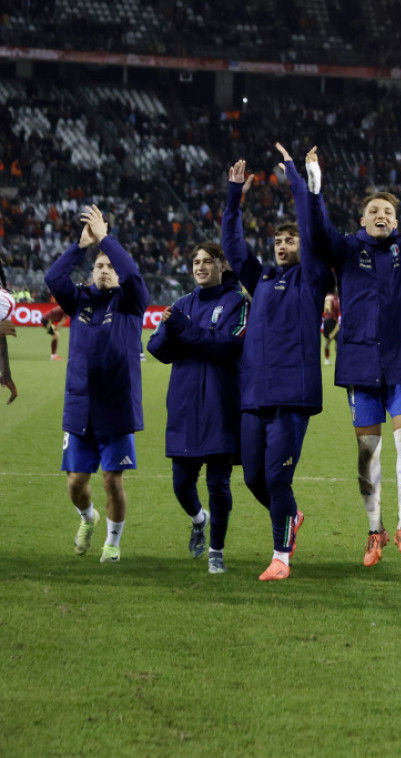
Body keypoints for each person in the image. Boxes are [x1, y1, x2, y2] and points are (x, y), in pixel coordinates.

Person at [302, 142, 401, 567]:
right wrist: (315, 187)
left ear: (397, 221)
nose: (382, 216)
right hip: (360, 362)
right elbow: (318, 231)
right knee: (368, 453)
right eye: (374, 211)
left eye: (389, 213)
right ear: (362, 220)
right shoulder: (345, 251)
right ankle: (375, 530)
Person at [221, 145, 334, 581]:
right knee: (253, 479)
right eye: (277, 241)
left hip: (292, 397)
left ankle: (281, 557)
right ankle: (291, 518)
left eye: (289, 240)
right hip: (254, 396)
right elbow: (233, 247)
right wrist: (234, 195)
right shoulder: (262, 278)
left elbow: (311, 226)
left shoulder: (312, 278)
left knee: (277, 480)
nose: (283, 245)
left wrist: (293, 174)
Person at [44, 205, 149, 563]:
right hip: (80, 405)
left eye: (111, 266)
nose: (106, 270)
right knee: (75, 483)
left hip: (116, 405)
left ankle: (113, 541)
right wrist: (81, 245)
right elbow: (53, 278)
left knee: (112, 480)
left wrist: (106, 239)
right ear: (92, 272)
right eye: (100, 265)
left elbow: (133, 274)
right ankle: (88, 518)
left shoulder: (131, 303)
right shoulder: (80, 301)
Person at [147, 241, 248, 574]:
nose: (201, 266)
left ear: (222, 265)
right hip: (185, 404)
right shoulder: (182, 303)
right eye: (196, 262)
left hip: (221, 404)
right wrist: (176, 330)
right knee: (180, 483)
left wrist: (182, 329)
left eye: (208, 261)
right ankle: (198, 519)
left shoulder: (237, 302)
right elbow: (158, 349)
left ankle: (216, 551)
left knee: (219, 485)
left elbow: (226, 346)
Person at [0, 263, 16, 405]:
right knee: (2, 346)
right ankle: (5, 376)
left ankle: (5, 376)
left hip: (5, 302)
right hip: (6, 299)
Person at [322, 289, 340, 365]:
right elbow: (338, 308)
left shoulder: (325, 297)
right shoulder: (335, 298)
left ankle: (326, 359)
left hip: (325, 320)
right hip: (332, 320)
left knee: (327, 341)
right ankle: (338, 359)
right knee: (338, 340)